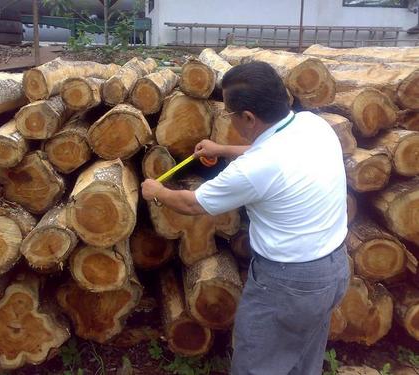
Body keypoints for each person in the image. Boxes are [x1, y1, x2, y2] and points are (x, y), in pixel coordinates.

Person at [141, 61, 351, 375]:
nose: (229, 118)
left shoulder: (255, 169)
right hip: (333, 270)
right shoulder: (312, 125)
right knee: (303, 360)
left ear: (248, 117)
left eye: (229, 114)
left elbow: (192, 203)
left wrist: (156, 190)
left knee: (257, 365)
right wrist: (223, 148)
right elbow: (274, 155)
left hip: (288, 284)